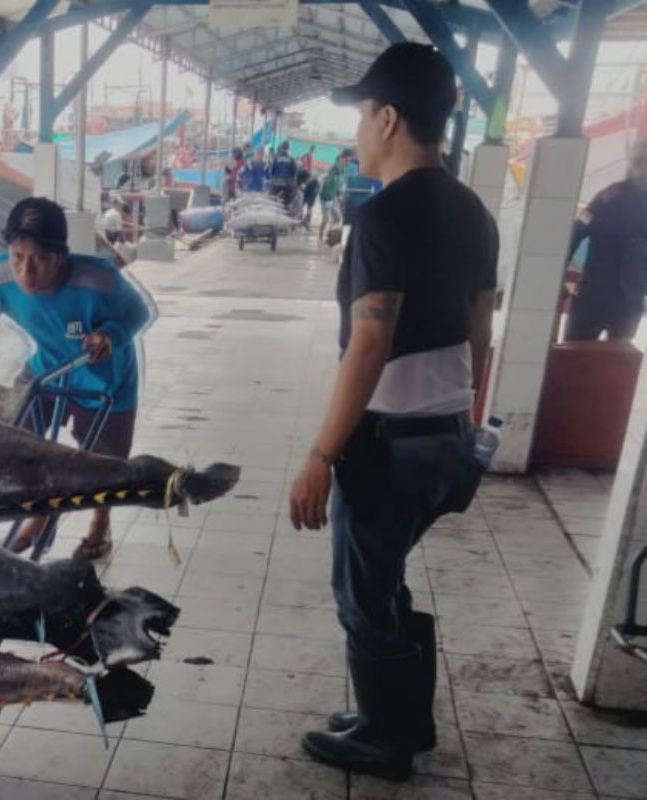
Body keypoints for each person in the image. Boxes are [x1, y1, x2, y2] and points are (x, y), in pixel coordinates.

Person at [288, 43, 497, 782]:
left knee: (362, 589)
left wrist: (320, 454)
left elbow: (370, 343)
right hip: (446, 438)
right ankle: (403, 718)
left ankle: (385, 738)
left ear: (387, 118)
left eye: (359, 120)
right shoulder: (474, 211)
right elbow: (481, 335)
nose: (355, 137)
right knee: (388, 577)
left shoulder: (383, 219)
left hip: (387, 444)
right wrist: (467, 426)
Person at [0, 197, 154, 560]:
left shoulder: (98, 279)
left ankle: (99, 526)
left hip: (105, 378)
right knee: (21, 441)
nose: (26, 272)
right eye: (18, 257)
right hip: (47, 368)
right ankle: (40, 516)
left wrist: (110, 335)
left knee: (104, 463)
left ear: (62, 255)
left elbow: (139, 311)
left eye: (40, 260)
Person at [563, 138, 647, 341]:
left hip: (628, 303)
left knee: (616, 366)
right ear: (637, 164)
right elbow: (578, 230)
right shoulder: (608, 198)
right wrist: (558, 277)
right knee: (573, 359)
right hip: (592, 297)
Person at [320, 150, 348, 242]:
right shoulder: (333, 169)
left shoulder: (341, 170)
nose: (347, 163)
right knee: (326, 219)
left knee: (338, 218)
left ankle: (330, 236)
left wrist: (339, 195)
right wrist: (327, 197)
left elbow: (338, 184)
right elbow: (327, 182)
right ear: (341, 159)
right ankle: (321, 236)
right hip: (327, 196)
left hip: (334, 196)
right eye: (346, 160)